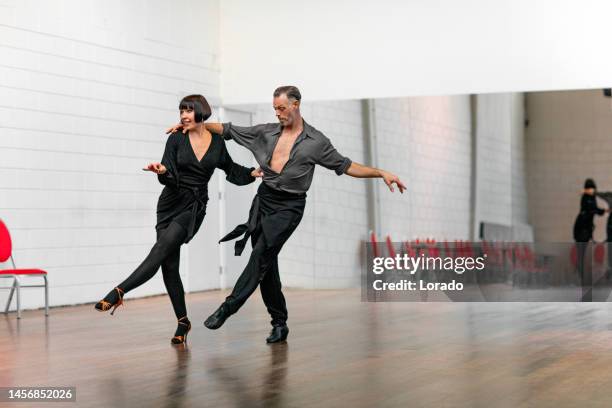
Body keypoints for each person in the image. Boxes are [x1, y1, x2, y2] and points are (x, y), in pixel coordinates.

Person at [166, 86, 406, 343]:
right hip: (264, 199)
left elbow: (347, 166)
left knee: (261, 253)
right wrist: (192, 126)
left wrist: (381, 173)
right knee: (267, 266)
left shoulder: (316, 142)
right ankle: (279, 323)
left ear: (296, 104)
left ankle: (229, 307)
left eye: (281, 108)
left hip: (290, 207)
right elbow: (226, 129)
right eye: (275, 109)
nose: (278, 113)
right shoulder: (266, 132)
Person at [95, 95, 261, 345]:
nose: (184, 115)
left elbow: (230, 168)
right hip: (169, 203)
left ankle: (119, 291)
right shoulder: (176, 138)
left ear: (201, 112)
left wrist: (251, 173)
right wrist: (162, 171)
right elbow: (169, 174)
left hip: (193, 207)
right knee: (169, 266)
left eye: (189, 110)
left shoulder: (216, 143)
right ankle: (183, 322)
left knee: (161, 249)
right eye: (181, 110)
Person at [573, 178, 608, 301]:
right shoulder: (586, 198)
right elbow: (592, 210)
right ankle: (583, 284)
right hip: (581, 231)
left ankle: (584, 284)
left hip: (586, 231)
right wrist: (604, 210)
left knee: (583, 258)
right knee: (581, 257)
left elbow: (595, 210)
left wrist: (603, 210)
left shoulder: (590, 197)